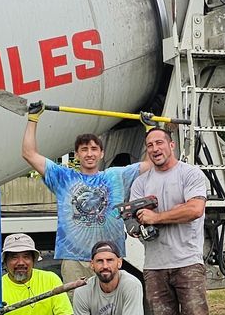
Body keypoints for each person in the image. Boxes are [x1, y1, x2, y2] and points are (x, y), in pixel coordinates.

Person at [126, 127, 223, 315]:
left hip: (187, 263)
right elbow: (132, 220)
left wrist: (156, 218)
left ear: (172, 145)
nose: (155, 149)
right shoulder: (141, 184)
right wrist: (136, 227)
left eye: (160, 143)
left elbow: (194, 210)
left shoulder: (190, 175)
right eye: (150, 145)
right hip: (155, 266)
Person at [22, 116, 139, 284]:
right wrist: (33, 119)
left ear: (102, 153)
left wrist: (151, 129)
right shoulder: (63, 177)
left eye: (94, 149)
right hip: (74, 260)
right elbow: (28, 154)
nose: (89, 154)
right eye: (84, 149)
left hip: (109, 258)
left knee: (109, 302)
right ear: (76, 155)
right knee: (77, 301)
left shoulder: (116, 176)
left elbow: (151, 164)